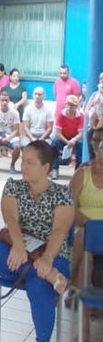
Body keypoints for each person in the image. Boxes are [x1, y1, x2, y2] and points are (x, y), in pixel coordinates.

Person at [0, 140, 74, 342]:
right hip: (17, 254)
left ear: (46, 167)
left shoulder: (62, 194)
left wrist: (48, 260)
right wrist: (20, 246)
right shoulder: (13, 186)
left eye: (30, 162)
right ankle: (50, 276)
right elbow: (10, 218)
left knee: (38, 285)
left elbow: (60, 230)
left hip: (53, 258)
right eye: (23, 160)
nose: (24, 166)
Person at [69, 133, 103, 326]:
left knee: (88, 238)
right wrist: (89, 224)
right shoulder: (83, 173)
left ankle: (64, 280)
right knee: (84, 237)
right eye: (100, 149)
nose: (102, 153)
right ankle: (84, 325)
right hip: (82, 226)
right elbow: (69, 206)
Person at [0, 91, 22, 173]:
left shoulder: (15, 113)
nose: (4, 102)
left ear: (9, 101)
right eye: (2, 100)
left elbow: (16, 130)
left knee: (17, 146)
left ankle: (12, 165)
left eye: (6, 100)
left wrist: (9, 138)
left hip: (11, 135)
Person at [52, 94, 84, 178]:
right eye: (68, 104)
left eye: (72, 105)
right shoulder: (60, 115)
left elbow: (81, 133)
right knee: (54, 142)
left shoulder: (81, 116)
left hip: (75, 138)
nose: (70, 107)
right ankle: (54, 169)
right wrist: (67, 142)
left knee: (81, 144)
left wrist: (73, 140)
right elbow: (57, 133)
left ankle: (77, 171)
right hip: (63, 137)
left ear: (76, 107)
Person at [86, 72, 103, 160]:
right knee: (92, 154)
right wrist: (92, 114)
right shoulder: (94, 95)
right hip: (94, 126)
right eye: (101, 79)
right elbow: (87, 109)